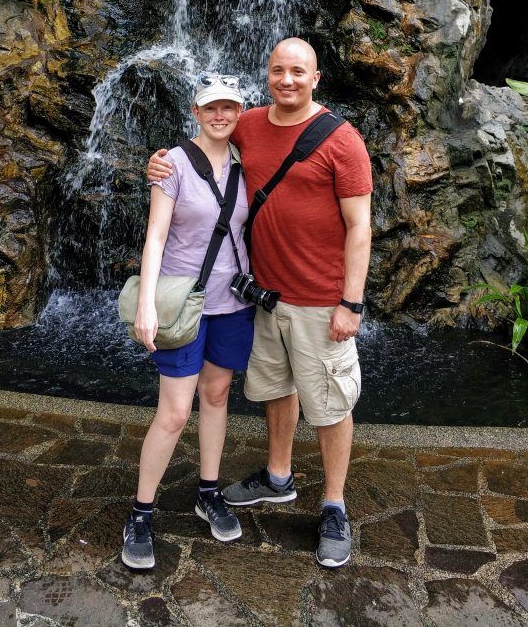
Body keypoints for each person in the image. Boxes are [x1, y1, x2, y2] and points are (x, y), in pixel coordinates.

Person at [148, 38, 372, 568]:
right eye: (278, 71)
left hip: (322, 297)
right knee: (277, 387)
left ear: (316, 78)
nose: (287, 80)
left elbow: (360, 226)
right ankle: (278, 477)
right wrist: (158, 164)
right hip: (262, 294)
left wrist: (352, 304)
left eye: (298, 71)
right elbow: (204, 144)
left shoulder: (343, 141)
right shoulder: (248, 125)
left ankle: (335, 505)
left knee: (331, 405)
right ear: (266, 77)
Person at [121, 73, 255, 570]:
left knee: (217, 395)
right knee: (175, 412)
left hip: (232, 303)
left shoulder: (246, 162)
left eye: (229, 108)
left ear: (240, 112)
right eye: (211, 108)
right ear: (196, 112)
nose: (220, 116)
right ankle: (141, 512)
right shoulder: (172, 163)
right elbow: (155, 236)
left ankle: (208, 491)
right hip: (183, 303)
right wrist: (146, 304)